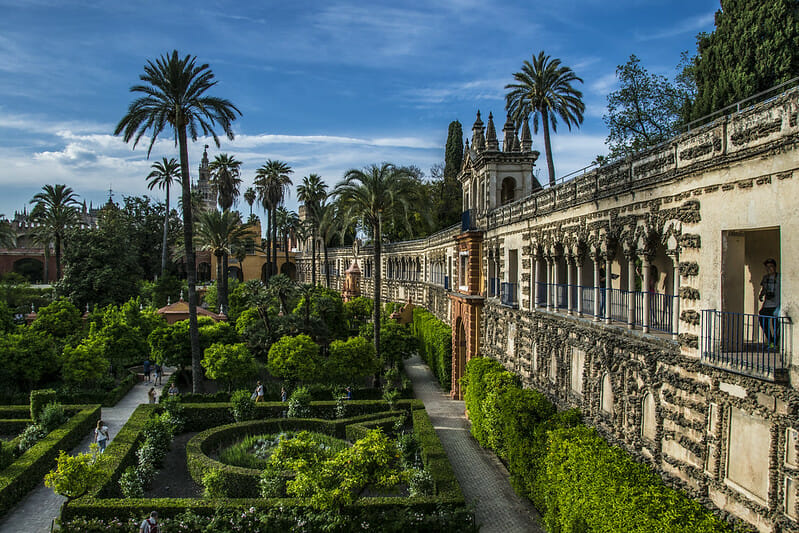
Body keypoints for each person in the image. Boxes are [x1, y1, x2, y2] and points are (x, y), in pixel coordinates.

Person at [758, 258, 781, 348]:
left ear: (775, 267)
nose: (769, 269)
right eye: (767, 267)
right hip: (767, 304)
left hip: (777, 304)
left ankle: (775, 342)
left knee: (776, 324)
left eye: (771, 266)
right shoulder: (765, 278)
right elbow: (764, 288)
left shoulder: (779, 277)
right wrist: (761, 295)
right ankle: (771, 340)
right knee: (762, 319)